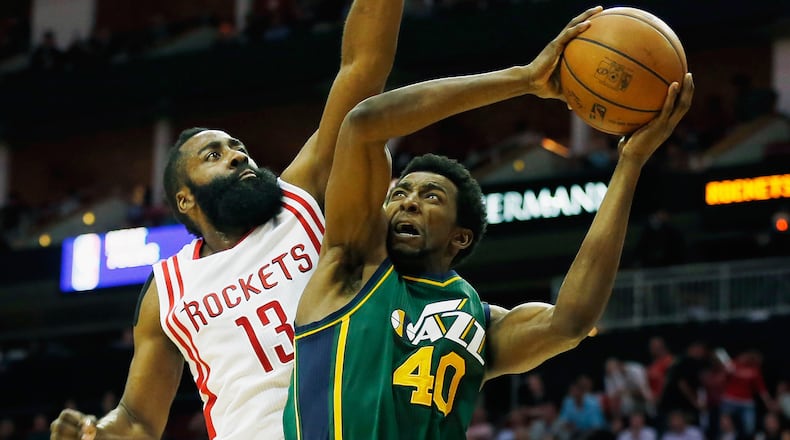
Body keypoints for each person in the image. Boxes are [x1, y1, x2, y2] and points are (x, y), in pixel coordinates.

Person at [282, 5, 695, 438]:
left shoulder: (478, 320)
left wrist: (629, 163)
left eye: (430, 196)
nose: (407, 202)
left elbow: (570, 322)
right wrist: (525, 79)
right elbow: (363, 123)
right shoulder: (348, 267)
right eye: (400, 193)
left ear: (460, 237)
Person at [49, 0, 404, 438]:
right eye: (214, 155)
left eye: (239, 147)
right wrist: (96, 432)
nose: (238, 155)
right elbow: (138, 420)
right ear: (184, 199)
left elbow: (362, 69)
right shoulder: (168, 289)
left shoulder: (299, 196)